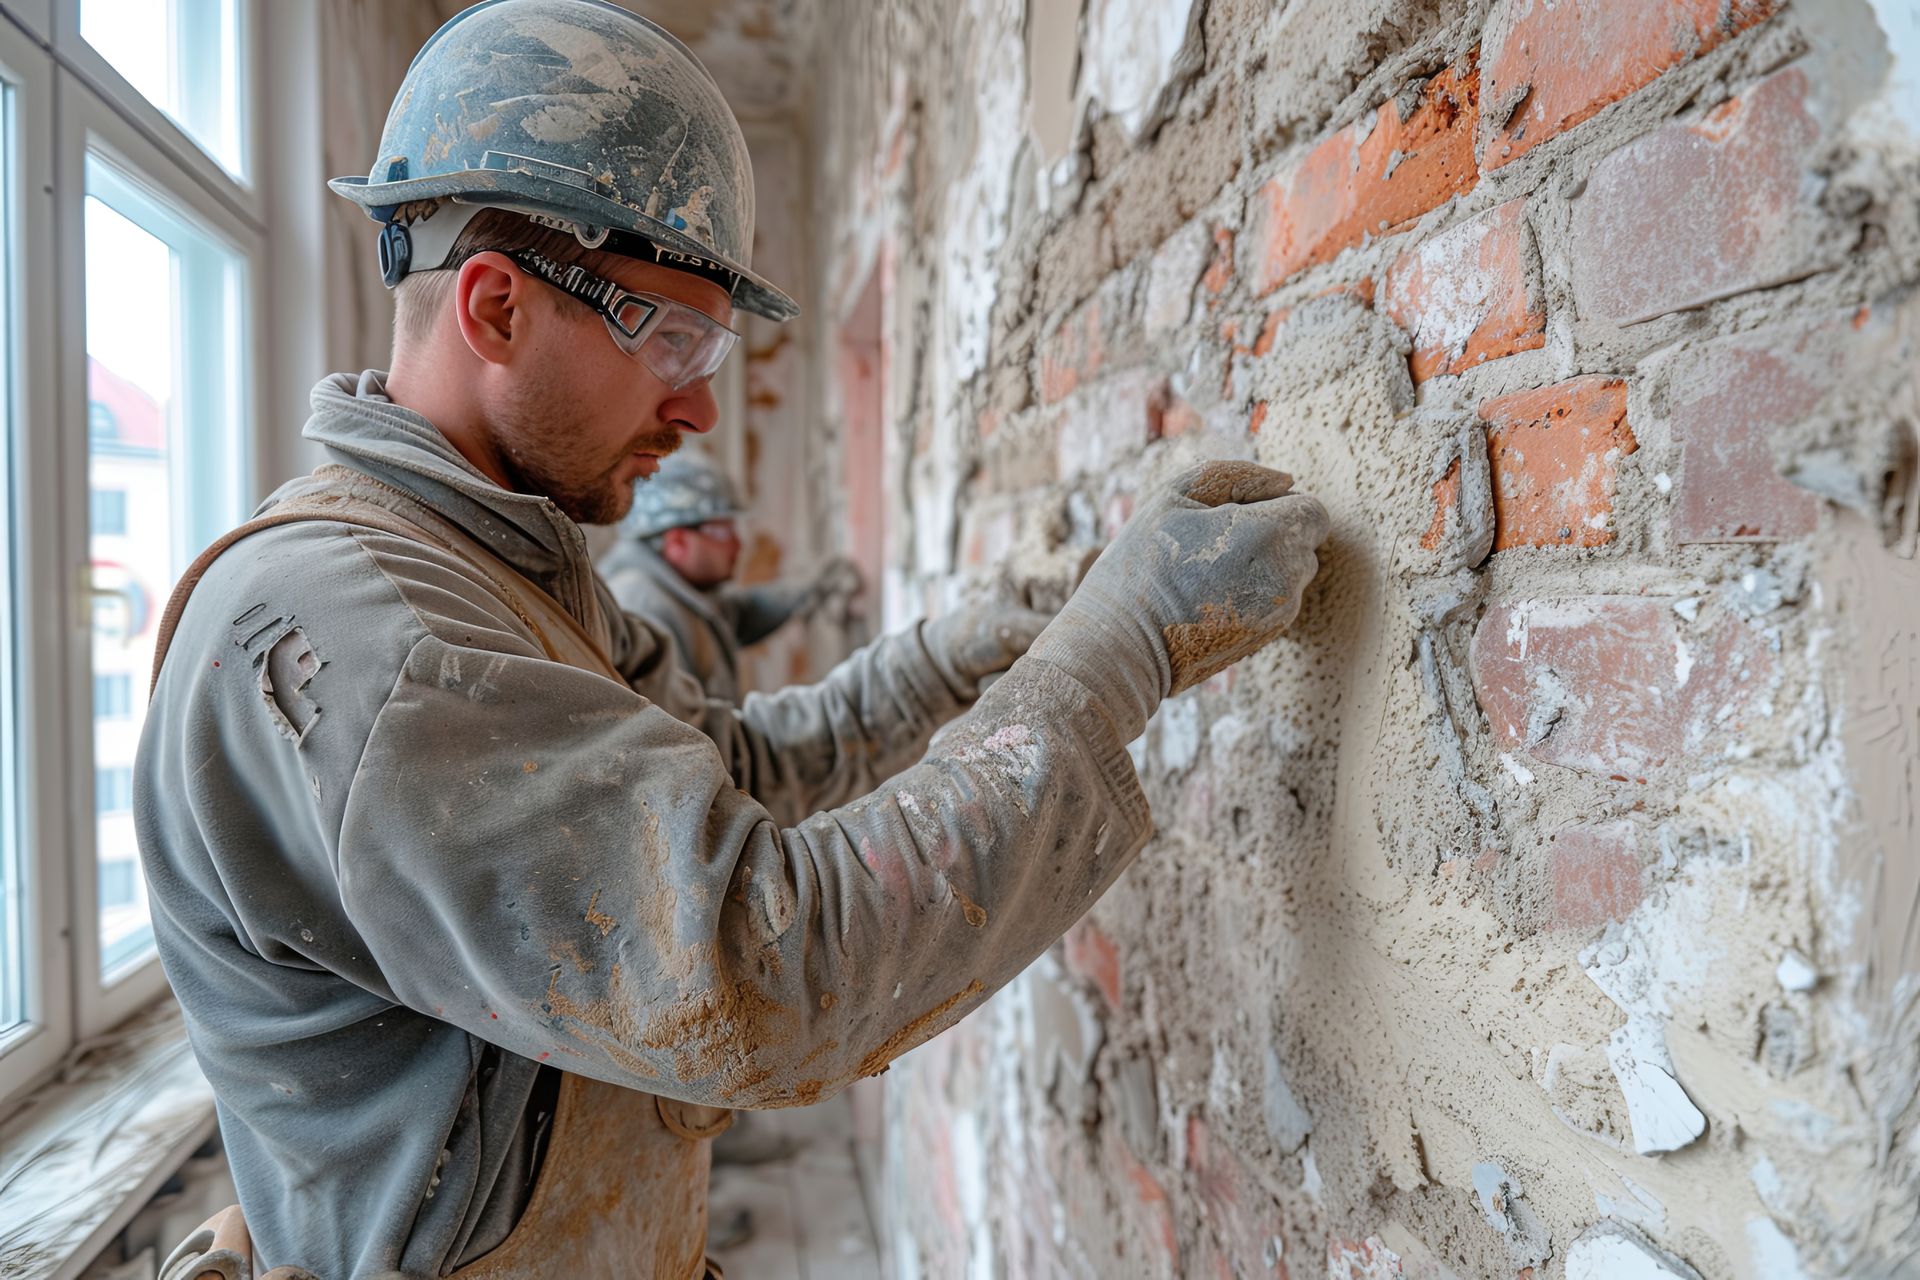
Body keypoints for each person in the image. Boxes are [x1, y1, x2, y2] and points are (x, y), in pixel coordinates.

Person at [135, 2, 1331, 1277]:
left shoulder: (501, 569)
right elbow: (762, 965)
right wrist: (1123, 648)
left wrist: (948, 657)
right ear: (494, 308)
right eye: (674, 337)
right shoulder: (378, 638)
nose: (701, 403)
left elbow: (731, 767)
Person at [600, 453, 862, 705]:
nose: (738, 545)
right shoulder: (643, 608)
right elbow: (685, 734)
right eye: (723, 532)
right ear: (677, 542)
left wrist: (810, 587)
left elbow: (741, 613)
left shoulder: (680, 590)